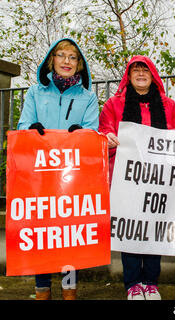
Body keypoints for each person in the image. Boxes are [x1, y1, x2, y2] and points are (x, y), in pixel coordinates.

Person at [98, 55, 175, 300]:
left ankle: (150, 282)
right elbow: (104, 130)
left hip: (159, 179)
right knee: (130, 231)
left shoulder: (169, 105)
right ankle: (132, 284)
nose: (140, 74)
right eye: (135, 70)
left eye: (145, 70)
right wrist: (107, 137)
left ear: (153, 76)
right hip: (125, 178)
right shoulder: (113, 105)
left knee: (153, 229)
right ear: (128, 76)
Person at [17, 38, 99, 300]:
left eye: (73, 57)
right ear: (51, 60)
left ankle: (69, 289)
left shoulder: (88, 97)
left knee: (69, 236)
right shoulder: (35, 92)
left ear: (80, 65)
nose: (66, 61)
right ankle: (42, 290)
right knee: (43, 234)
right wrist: (30, 131)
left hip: (72, 179)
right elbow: (22, 126)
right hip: (39, 176)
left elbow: (93, 132)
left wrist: (83, 134)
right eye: (61, 55)